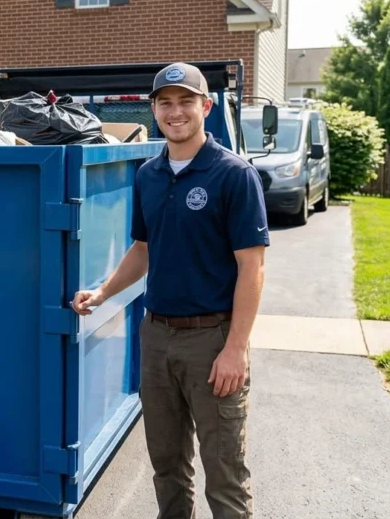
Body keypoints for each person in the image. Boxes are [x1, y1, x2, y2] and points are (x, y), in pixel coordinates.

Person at [72, 63, 268, 519]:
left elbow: (252, 268)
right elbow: (143, 248)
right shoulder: (149, 175)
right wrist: (102, 293)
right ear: (154, 108)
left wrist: (236, 349)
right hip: (156, 337)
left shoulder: (233, 175)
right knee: (168, 467)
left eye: (185, 101)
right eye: (165, 102)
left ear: (206, 106)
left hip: (212, 341)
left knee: (225, 475)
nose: (175, 112)